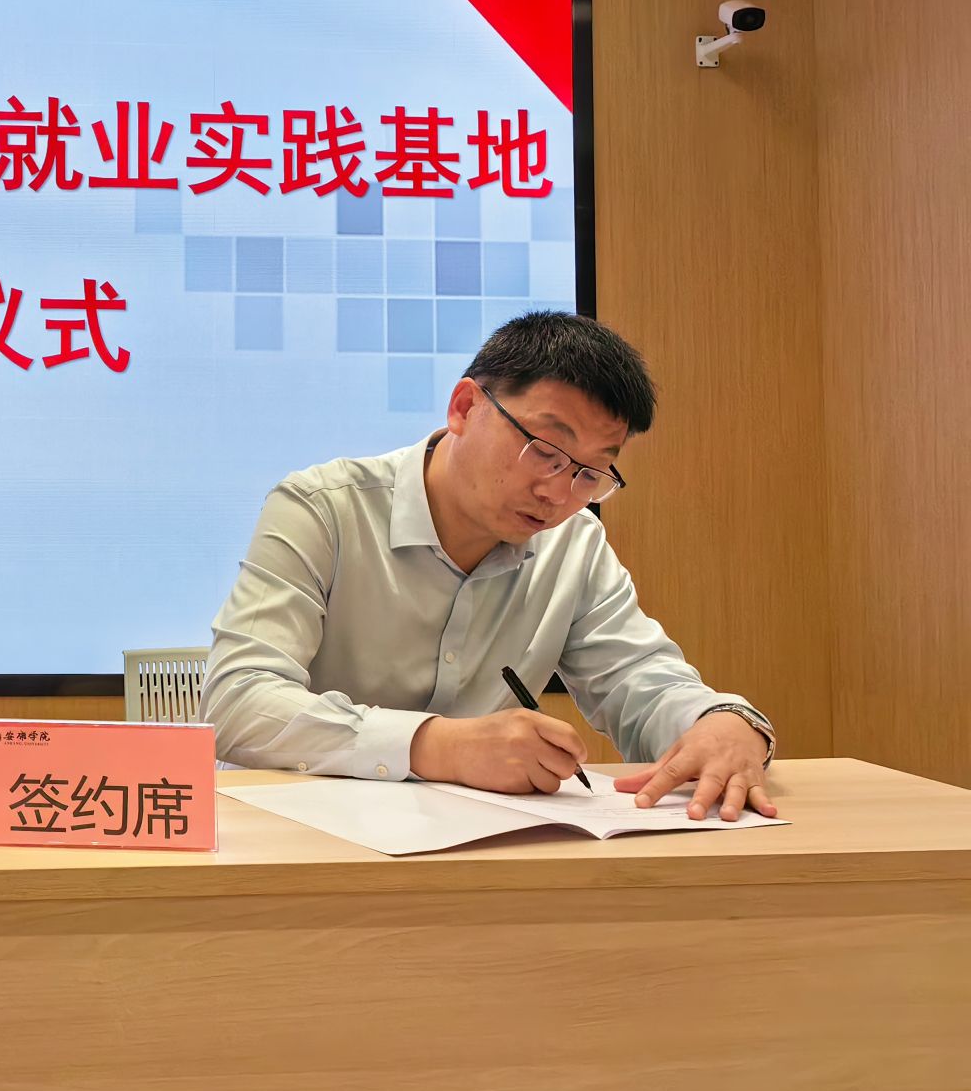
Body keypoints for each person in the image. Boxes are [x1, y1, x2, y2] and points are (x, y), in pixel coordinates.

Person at [202, 311, 777, 822]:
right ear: (464, 407)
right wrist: (438, 746)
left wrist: (721, 722)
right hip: (302, 838)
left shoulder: (572, 543)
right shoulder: (323, 508)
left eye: (589, 474)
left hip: (473, 854)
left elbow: (638, 679)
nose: (558, 494)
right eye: (545, 451)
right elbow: (237, 702)